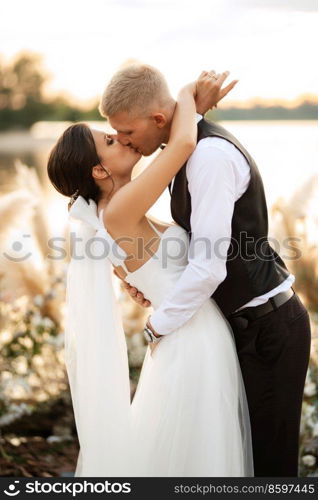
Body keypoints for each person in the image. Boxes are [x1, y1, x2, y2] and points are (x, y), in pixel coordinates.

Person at [99, 63, 312, 477]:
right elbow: (188, 239)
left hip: (268, 328)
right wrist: (142, 275)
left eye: (126, 132)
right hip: (240, 327)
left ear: (158, 120)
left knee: (270, 464)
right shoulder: (185, 151)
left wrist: (157, 325)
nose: (124, 141)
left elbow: (209, 267)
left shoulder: (209, 157)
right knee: (242, 458)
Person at [47, 72, 254, 476]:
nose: (121, 139)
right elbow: (183, 143)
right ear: (98, 172)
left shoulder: (118, 213)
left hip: (185, 332)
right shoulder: (121, 210)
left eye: (118, 133)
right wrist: (185, 94)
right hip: (190, 336)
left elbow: (150, 264)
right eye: (109, 141)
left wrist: (141, 285)